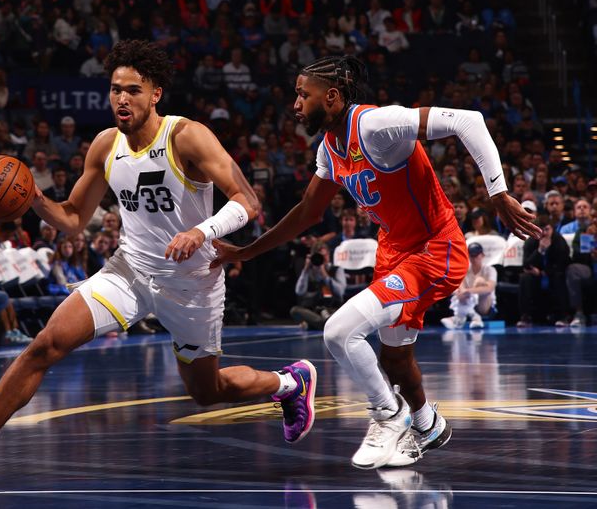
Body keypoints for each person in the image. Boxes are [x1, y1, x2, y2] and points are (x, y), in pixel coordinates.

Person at [0, 40, 317, 484]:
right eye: (115, 90)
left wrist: (201, 231)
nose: (122, 99)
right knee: (45, 345)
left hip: (192, 284)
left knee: (208, 391)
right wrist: (34, 198)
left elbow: (248, 200)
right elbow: (71, 219)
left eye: (133, 90)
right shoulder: (105, 145)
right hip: (129, 273)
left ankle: (289, 383)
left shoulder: (186, 135)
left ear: (155, 93)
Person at [212, 55, 539, 470]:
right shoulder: (330, 147)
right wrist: (245, 251)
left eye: (302, 94)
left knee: (339, 332)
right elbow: (307, 212)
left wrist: (497, 193)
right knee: (395, 358)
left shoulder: (375, 125)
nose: (295, 104)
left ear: (331, 97)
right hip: (394, 249)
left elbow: (469, 120)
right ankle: (428, 425)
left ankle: (389, 415)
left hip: (435, 249)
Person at [440, 242, 497, 329]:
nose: (474, 259)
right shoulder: (465, 269)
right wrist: (462, 292)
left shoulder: (490, 269)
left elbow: (490, 288)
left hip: (485, 306)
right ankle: (475, 318)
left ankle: (458, 318)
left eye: (476, 255)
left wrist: (469, 291)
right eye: (471, 256)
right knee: (458, 291)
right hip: (469, 302)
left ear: (482, 255)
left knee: (479, 281)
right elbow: (460, 286)